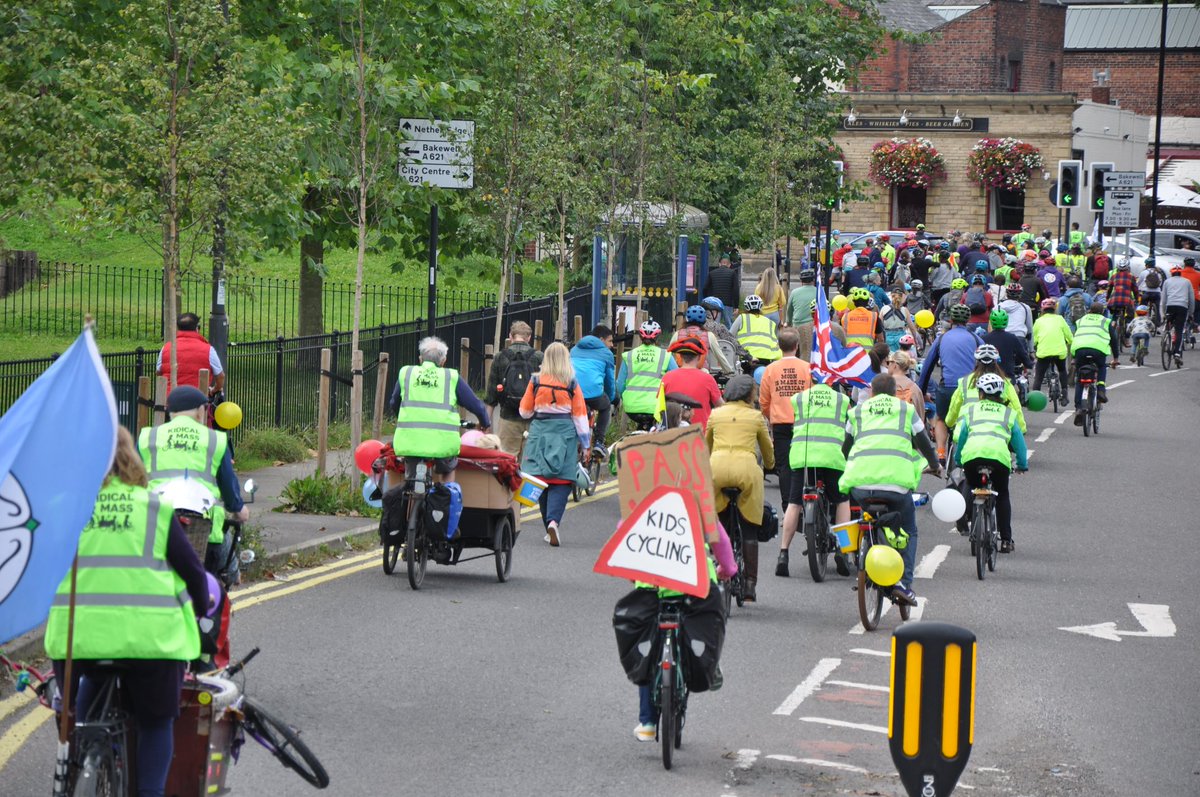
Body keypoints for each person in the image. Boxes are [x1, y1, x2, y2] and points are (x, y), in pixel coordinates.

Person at [47, 427, 215, 797]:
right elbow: (191, 571)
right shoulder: (153, 507)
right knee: (156, 723)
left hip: (78, 638)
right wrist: (204, 613)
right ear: (131, 459)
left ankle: (84, 763)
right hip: (151, 641)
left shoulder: (65, 506)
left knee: (75, 713)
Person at [842, 373, 941, 605]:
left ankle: (860, 565)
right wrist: (934, 465)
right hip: (895, 486)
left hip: (860, 483)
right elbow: (924, 441)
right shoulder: (905, 410)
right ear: (895, 392)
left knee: (860, 517)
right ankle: (905, 585)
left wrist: (849, 464)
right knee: (909, 529)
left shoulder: (857, 412)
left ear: (872, 393)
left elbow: (846, 446)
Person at [139, 386, 249, 579]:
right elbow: (228, 482)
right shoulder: (215, 439)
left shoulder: (148, 437)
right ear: (201, 411)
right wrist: (238, 508)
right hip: (203, 526)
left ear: (170, 411)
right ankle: (230, 580)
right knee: (225, 573)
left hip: (157, 523)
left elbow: (133, 479)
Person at [775, 375, 852, 578]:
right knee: (842, 501)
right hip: (832, 457)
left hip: (803, 455)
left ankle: (783, 554)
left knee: (794, 503)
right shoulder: (842, 400)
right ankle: (844, 550)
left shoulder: (799, 398)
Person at [706, 375, 774, 602]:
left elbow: (706, 447)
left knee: (720, 522)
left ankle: (720, 565)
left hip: (717, 468)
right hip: (746, 469)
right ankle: (749, 585)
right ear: (749, 395)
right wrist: (771, 465)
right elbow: (767, 449)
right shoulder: (756, 417)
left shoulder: (715, 415)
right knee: (750, 528)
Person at [390, 336, 490, 484]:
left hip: (410, 440)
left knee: (410, 476)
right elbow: (476, 405)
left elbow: (394, 402)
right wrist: (484, 423)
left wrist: (403, 417)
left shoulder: (406, 373)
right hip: (443, 442)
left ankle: (409, 501)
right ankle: (446, 498)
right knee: (448, 469)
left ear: (420, 359)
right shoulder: (451, 376)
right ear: (443, 361)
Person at [518, 342, 589, 546]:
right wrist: (585, 445)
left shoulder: (536, 380)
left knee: (541, 479)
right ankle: (553, 522)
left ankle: (548, 527)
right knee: (562, 480)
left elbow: (524, 411)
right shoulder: (571, 383)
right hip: (565, 432)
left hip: (540, 430)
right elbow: (580, 417)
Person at [954, 373, 1028, 553]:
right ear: (1001, 393)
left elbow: (962, 437)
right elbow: (1019, 443)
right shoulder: (1008, 413)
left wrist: (958, 459)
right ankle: (1006, 540)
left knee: (971, 484)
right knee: (1002, 494)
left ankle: (966, 516)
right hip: (999, 459)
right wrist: (1022, 464)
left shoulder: (971, 410)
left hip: (972, 457)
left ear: (980, 393)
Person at [916, 304, 982, 463]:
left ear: (950, 320)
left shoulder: (942, 338)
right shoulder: (975, 338)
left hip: (948, 387)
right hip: (970, 388)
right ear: (968, 320)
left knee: (941, 419)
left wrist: (922, 391)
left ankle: (940, 452)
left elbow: (927, 367)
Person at [758, 328, 812, 513]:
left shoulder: (770, 370)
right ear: (797, 346)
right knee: (804, 463)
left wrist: (771, 415)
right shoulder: (807, 368)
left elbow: (764, 400)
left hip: (780, 423)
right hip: (803, 422)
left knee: (785, 467)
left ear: (779, 347)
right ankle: (804, 502)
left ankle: (787, 507)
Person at [485, 320, 543, 459]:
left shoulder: (500, 357)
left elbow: (491, 397)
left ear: (510, 336)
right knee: (530, 464)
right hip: (533, 420)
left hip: (508, 419)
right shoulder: (539, 357)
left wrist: (488, 427)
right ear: (529, 338)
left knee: (506, 463)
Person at [943, 344, 1026, 436]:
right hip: (996, 432)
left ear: (976, 362)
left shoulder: (965, 381)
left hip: (966, 432)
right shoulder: (1004, 382)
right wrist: (1022, 429)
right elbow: (1015, 407)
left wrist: (949, 422)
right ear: (996, 361)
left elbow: (955, 406)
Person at [617, 320, 676, 428]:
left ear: (640, 336)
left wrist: (625, 397)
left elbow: (620, 384)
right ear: (658, 336)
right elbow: (676, 380)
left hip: (631, 406)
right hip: (656, 407)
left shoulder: (629, 355)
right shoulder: (666, 355)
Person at [570, 324, 618, 454]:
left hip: (572, 392)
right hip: (593, 395)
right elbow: (609, 382)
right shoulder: (606, 353)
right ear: (602, 340)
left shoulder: (574, 349)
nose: (612, 345)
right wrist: (612, 398)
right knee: (605, 405)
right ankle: (599, 442)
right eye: (610, 341)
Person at [658, 336, 724, 429]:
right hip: (700, 436)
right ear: (699, 357)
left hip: (672, 435)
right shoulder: (707, 379)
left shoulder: (667, 377)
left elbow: (659, 406)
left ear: (680, 356)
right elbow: (721, 406)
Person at [1070, 301, 1119, 425]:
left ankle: (1078, 408)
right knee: (1102, 367)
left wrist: (1074, 357)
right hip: (1098, 350)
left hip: (1080, 350)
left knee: (1080, 379)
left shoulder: (1081, 320)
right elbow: (1114, 340)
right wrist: (1116, 358)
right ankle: (1101, 389)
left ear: (1089, 311)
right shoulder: (1105, 321)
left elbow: (1078, 336)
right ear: (1103, 312)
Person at [158, 312, 224, 395]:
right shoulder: (208, 350)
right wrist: (214, 389)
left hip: (170, 400)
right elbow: (220, 376)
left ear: (178, 328)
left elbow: (159, 372)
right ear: (197, 328)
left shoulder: (166, 348)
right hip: (196, 401)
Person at [671, 304, 733, 375]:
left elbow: (668, 354)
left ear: (686, 319)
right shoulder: (709, 335)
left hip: (681, 371)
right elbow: (720, 356)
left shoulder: (678, 333)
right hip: (702, 372)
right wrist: (729, 370)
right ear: (704, 319)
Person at [1031, 298, 1072, 395]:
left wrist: (1034, 347)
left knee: (1039, 375)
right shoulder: (1060, 319)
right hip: (1060, 352)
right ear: (1055, 309)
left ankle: (1035, 395)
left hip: (1044, 352)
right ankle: (1065, 392)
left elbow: (1034, 339)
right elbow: (1069, 337)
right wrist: (1068, 341)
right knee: (1062, 370)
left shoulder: (1038, 321)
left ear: (1042, 309)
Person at [700, 297, 751, 366]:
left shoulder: (695, 327)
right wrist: (748, 356)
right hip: (716, 365)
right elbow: (734, 344)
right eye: (718, 312)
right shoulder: (719, 328)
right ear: (713, 312)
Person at [982, 309, 1033, 379]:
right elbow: (1022, 354)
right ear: (1006, 322)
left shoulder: (984, 338)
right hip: (1007, 377)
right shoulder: (1012, 338)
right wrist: (1029, 364)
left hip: (988, 377)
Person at [1161, 265, 1196, 365]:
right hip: (1182, 307)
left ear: (1171, 273)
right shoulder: (1187, 282)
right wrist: (1190, 313)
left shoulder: (1167, 282)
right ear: (1181, 273)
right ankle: (1177, 353)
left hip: (1170, 306)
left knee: (1169, 324)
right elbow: (1191, 299)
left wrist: (1163, 313)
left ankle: (1167, 337)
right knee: (1179, 330)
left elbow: (1163, 300)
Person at [732, 295, 782, 364]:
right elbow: (776, 342)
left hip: (748, 357)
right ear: (761, 306)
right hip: (768, 358)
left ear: (746, 307)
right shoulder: (770, 322)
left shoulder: (742, 318)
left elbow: (730, 336)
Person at [1105, 260, 1140, 339]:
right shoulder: (1131, 277)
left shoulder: (1114, 276)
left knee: (1114, 315)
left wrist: (1107, 298)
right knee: (1130, 315)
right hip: (1127, 301)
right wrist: (1137, 299)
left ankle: (1113, 324)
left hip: (1114, 300)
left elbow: (1109, 289)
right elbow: (1135, 290)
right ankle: (1127, 329)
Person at [703, 256, 740, 326]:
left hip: (714, 304)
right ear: (729, 265)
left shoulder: (712, 273)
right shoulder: (732, 273)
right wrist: (736, 306)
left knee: (714, 324)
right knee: (729, 324)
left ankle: (714, 337)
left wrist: (708, 300)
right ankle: (728, 336)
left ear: (719, 264)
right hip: (728, 303)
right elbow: (736, 290)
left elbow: (705, 288)